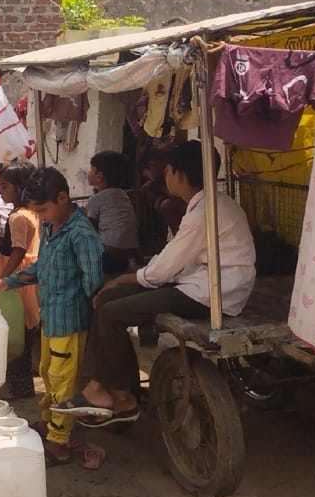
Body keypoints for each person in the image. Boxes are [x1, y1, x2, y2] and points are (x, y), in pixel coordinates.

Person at [57, 141, 256, 427]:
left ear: (178, 174)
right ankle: (108, 388)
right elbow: (173, 260)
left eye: (167, 170)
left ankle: (117, 396)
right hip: (204, 283)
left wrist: (124, 279)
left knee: (109, 310)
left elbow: (161, 272)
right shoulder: (213, 203)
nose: (164, 176)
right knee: (106, 301)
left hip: (209, 293)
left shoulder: (202, 213)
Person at [0, 167, 103, 465]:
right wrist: (7, 282)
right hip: (51, 316)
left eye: (44, 210)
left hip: (70, 321)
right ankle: (51, 424)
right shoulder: (51, 229)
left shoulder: (81, 234)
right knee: (49, 375)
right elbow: (40, 269)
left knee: (62, 381)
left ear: (63, 198)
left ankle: (59, 442)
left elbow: (94, 282)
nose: (43, 217)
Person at [0, 161, 41, 400]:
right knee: (24, 332)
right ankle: (23, 386)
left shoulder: (19, 217)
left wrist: (5, 278)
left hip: (18, 277)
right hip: (29, 275)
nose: (1, 192)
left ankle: (18, 388)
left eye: (5, 186)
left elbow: (18, 250)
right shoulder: (33, 212)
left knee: (14, 335)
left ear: (19, 188)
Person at [86, 150, 139, 275]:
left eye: (91, 169)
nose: (88, 172)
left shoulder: (95, 199)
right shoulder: (123, 194)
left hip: (109, 253)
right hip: (126, 254)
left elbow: (89, 228)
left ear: (99, 176)